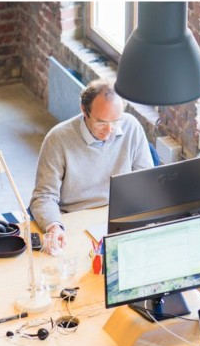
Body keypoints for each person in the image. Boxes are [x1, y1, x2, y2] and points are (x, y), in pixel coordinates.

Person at [29, 78, 153, 253]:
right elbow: (43, 196)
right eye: (101, 122)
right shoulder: (57, 139)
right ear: (84, 111)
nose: (109, 131)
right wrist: (54, 226)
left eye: (115, 121)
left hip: (117, 217)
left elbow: (146, 182)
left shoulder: (131, 126)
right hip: (73, 220)